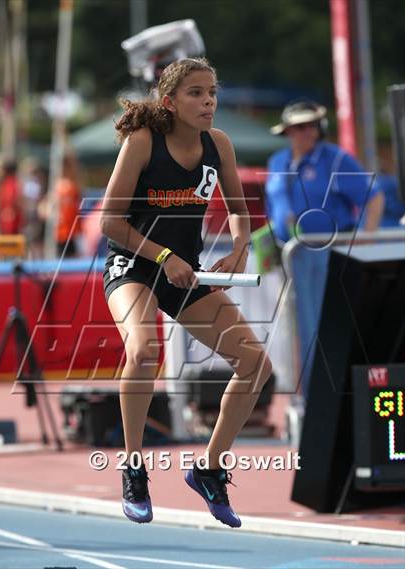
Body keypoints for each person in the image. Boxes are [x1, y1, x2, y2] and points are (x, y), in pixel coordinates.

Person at [100, 57, 272, 527]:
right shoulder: (142, 143)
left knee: (255, 362)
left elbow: (240, 211)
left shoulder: (219, 144)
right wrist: (163, 257)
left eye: (212, 91)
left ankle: (210, 469)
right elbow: (109, 221)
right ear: (170, 102)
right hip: (134, 264)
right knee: (145, 350)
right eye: (196, 93)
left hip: (184, 273)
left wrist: (239, 247)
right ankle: (134, 467)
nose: (209, 101)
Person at [266, 100, 384, 399]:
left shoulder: (335, 160)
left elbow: (374, 197)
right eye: (297, 127)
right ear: (287, 131)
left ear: (319, 128)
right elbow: (274, 207)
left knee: (326, 326)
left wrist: (365, 240)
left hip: (329, 255)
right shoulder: (277, 162)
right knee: (297, 331)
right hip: (289, 256)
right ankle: (308, 398)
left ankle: (333, 397)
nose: (304, 132)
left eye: (309, 126)